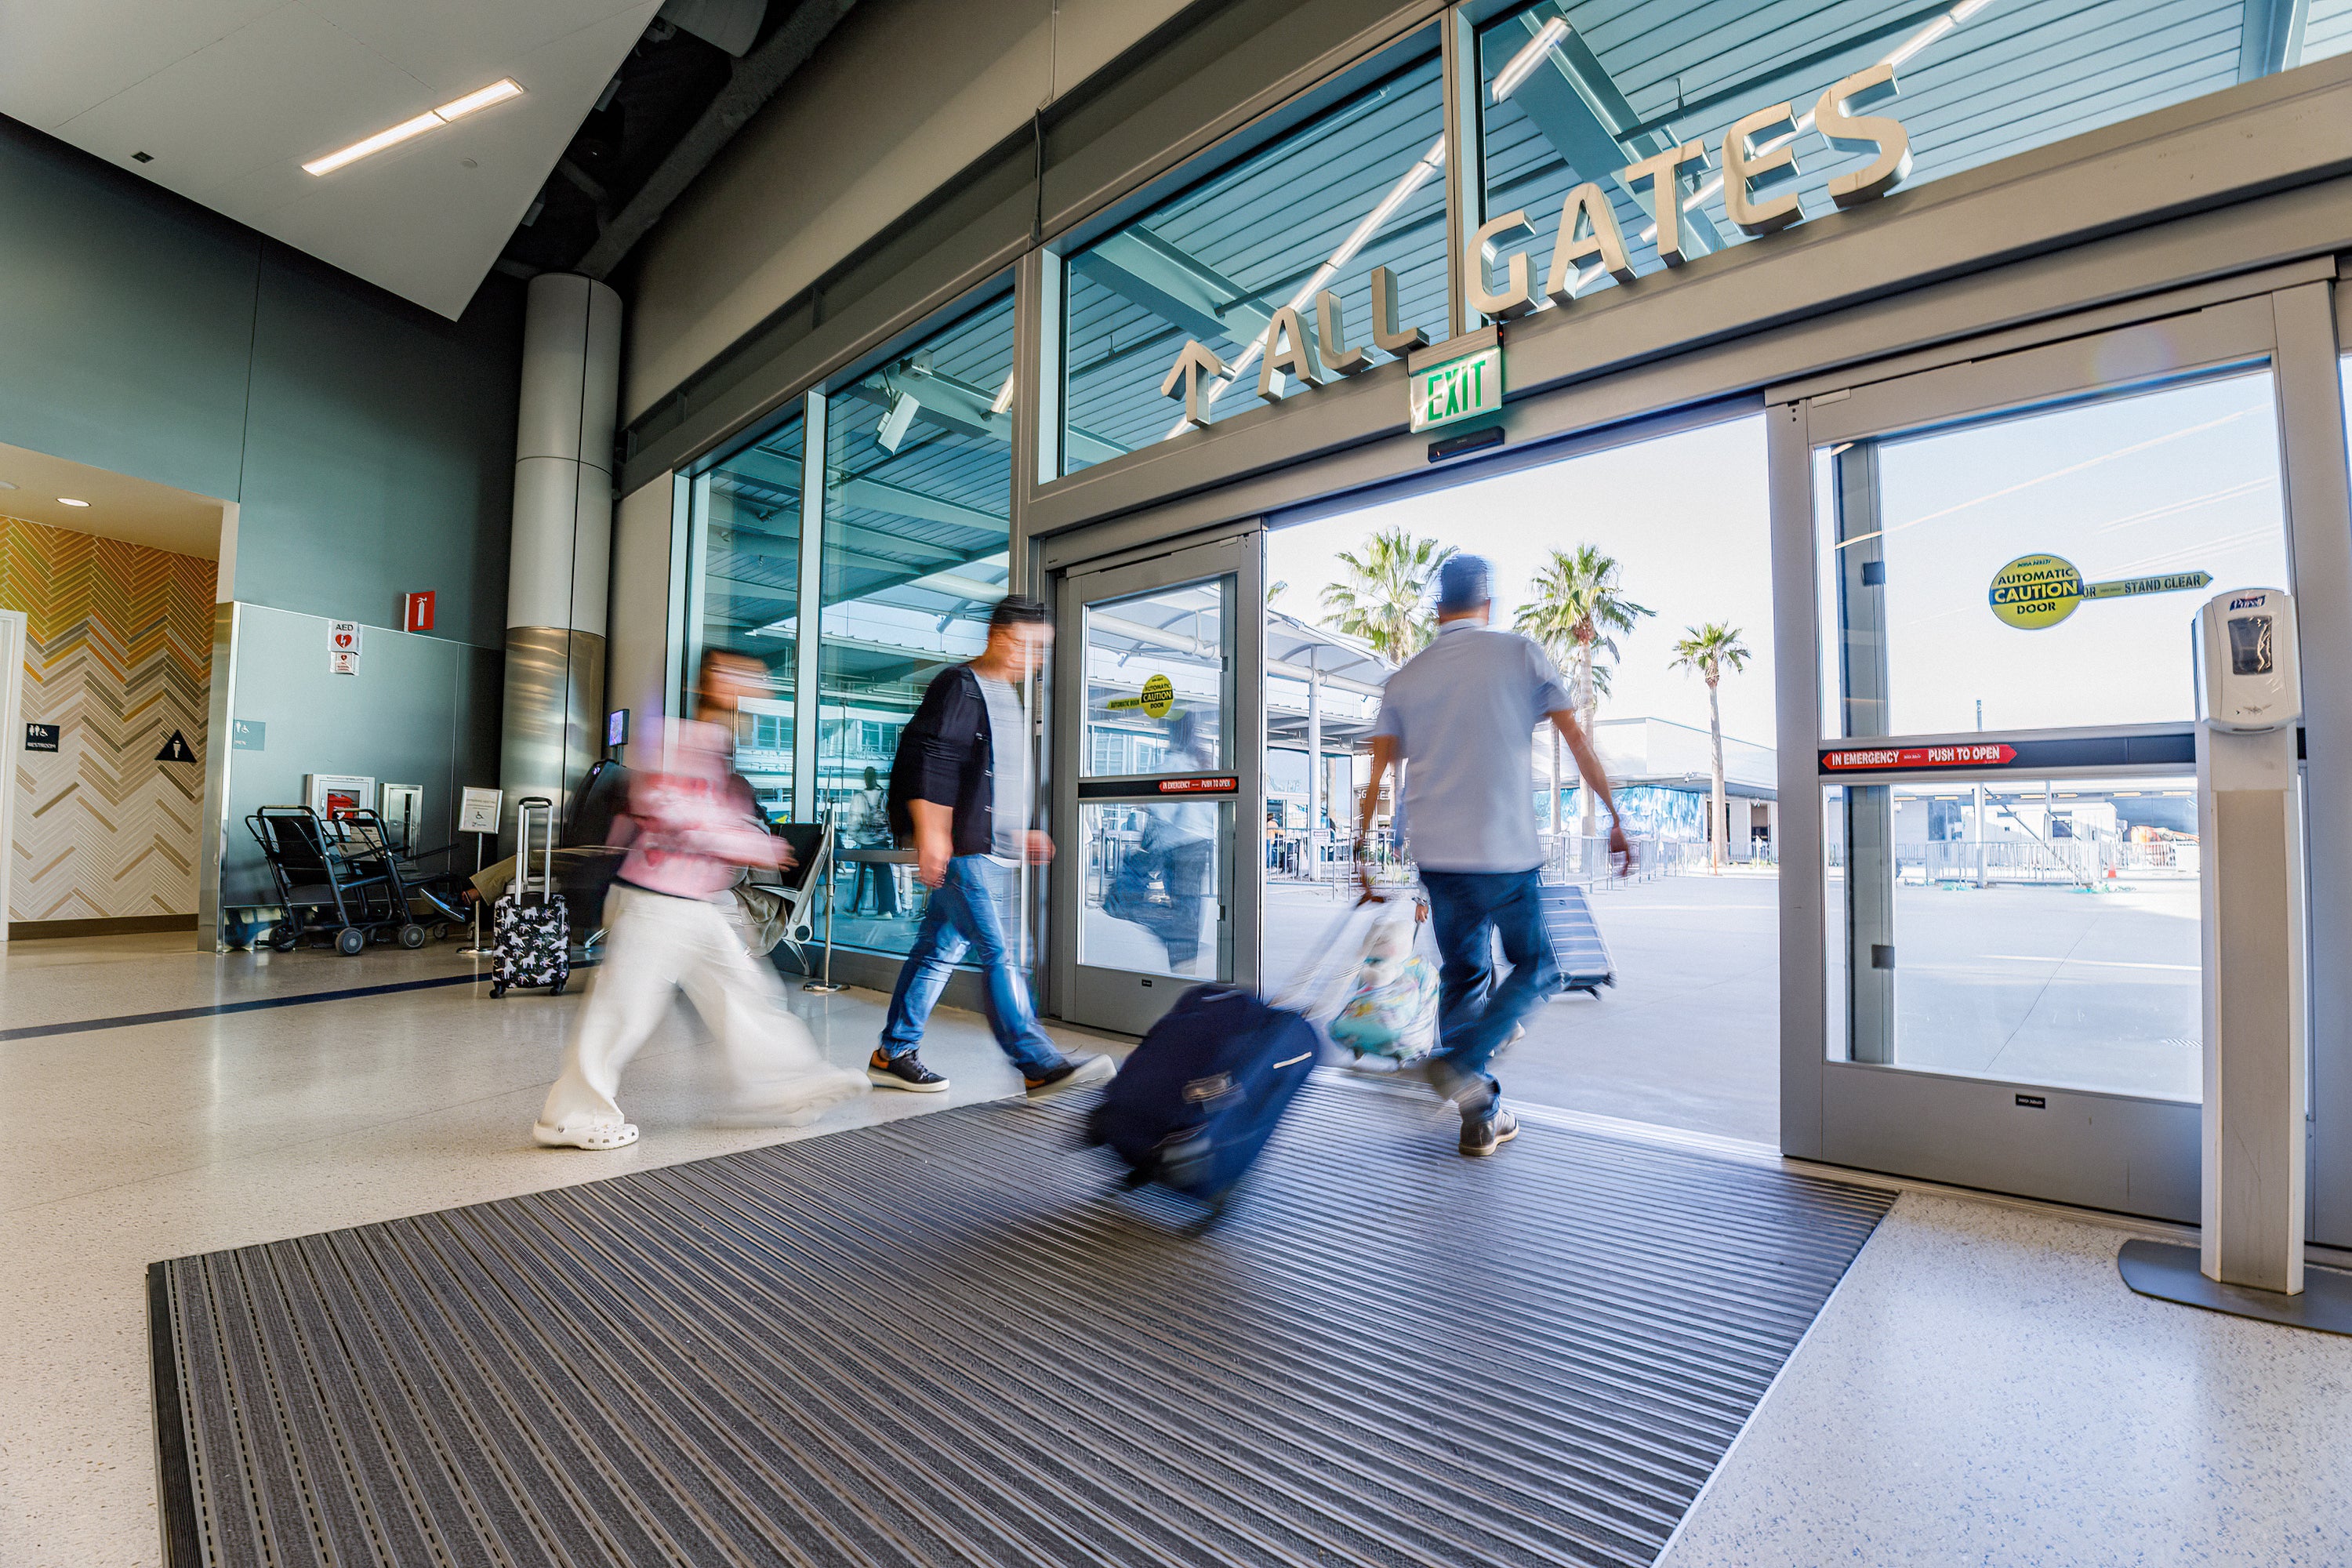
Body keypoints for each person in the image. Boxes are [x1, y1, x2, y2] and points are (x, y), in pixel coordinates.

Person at [532, 649, 868, 1150]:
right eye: (741, 675)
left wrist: (747, 838)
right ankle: (571, 1115)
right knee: (624, 1007)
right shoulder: (673, 738)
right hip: (655, 897)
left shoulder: (718, 748)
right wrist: (747, 844)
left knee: (745, 994)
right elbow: (668, 808)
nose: (755, 686)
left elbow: (711, 816)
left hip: (695, 901)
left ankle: (779, 1088)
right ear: (710, 681)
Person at [1356, 554, 1629, 1157]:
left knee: (1465, 974)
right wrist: (1614, 816)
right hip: (1505, 853)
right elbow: (1576, 741)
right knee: (1540, 966)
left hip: (1439, 859)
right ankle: (1461, 1063)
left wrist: (1361, 854)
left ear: (1438, 608)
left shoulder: (1405, 678)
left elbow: (1377, 774)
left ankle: (1480, 1115)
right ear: (1487, 604)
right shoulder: (1520, 653)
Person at [869, 595, 1113, 1097]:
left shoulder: (1004, 694)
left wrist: (1017, 832)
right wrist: (932, 834)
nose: (1033, 658)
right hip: (965, 852)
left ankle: (892, 1052)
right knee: (1002, 952)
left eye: (1041, 650)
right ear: (998, 637)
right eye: (1026, 645)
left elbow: (985, 780)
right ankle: (1036, 1062)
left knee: (937, 951)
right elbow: (933, 761)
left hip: (988, 848)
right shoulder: (961, 684)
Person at [845, 765, 898, 918]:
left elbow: (854, 822)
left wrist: (856, 837)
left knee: (860, 876)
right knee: (885, 875)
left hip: (866, 843)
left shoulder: (860, 797)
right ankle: (887, 909)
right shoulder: (885, 796)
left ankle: (855, 908)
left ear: (865, 779)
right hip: (883, 842)